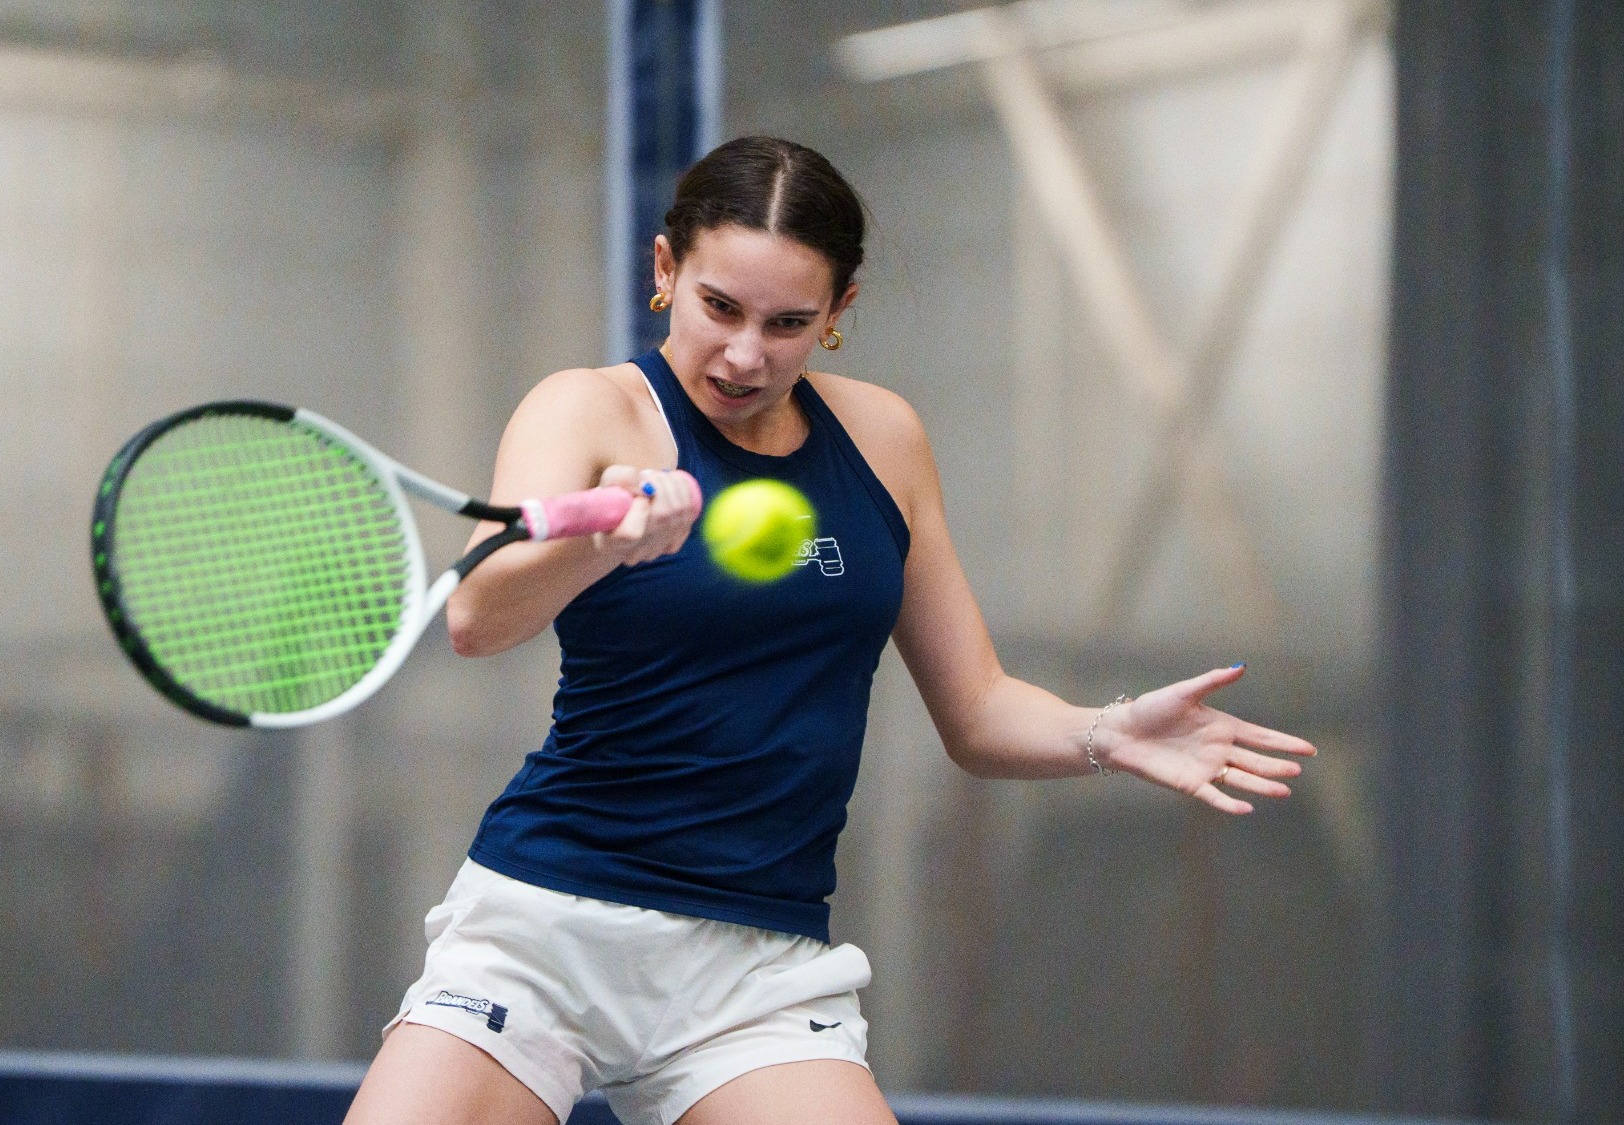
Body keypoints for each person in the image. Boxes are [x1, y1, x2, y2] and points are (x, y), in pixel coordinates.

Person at [341, 136, 1315, 1125]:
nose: (742, 353)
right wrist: (604, 541)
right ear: (665, 268)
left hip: (752, 970)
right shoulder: (587, 409)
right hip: (544, 927)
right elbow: (475, 617)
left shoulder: (883, 438)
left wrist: (1105, 733)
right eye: (718, 306)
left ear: (838, 313)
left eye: (787, 322)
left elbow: (976, 712)